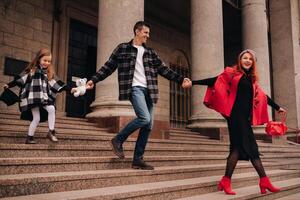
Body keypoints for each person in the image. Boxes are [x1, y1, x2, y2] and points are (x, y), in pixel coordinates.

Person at [86, 21, 191, 170]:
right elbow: (108, 66)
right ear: (137, 31)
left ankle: (137, 159)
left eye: (148, 33)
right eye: (146, 32)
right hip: (134, 89)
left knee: (148, 126)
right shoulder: (122, 49)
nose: (148, 36)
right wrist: (94, 80)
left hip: (149, 91)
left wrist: (181, 79)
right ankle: (118, 139)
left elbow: (163, 69)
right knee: (144, 118)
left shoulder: (151, 52)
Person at [183, 49, 286, 195]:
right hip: (235, 117)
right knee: (252, 148)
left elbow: (263, 96)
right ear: (240, 59)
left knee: (237, 149)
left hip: (244, 119)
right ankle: (264, 181)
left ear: (253, 62)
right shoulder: (232, 73)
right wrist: (192, 82)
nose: (248, 60)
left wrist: (277, 107)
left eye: (250, 59)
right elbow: (214, 80)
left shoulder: (251, 80)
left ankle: (226, 180)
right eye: (245, 58)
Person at [3, 49, 76, 144]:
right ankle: (29, 138)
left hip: (44, 98)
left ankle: (51, 131)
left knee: (51, 109)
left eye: (49, 61)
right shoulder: (31, 71)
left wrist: (70, 89)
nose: (47, 63)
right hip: (33, 98)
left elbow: (58, 84)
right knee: (36, 118)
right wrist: (9, 85)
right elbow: (20, 80)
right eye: (45, 60)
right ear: (39, 59)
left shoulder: (49, 73)